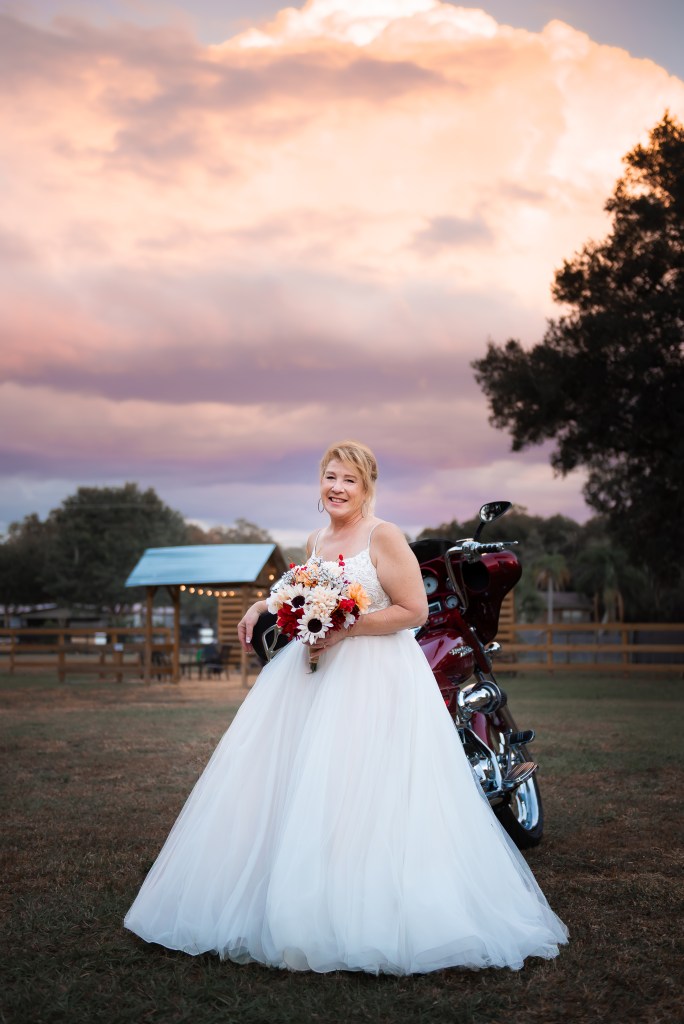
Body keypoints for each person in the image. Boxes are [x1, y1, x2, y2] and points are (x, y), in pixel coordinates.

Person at [124, 440, 568, 974]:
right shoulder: (317, 538)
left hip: (376, 675)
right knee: (304, 780)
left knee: (367, 783)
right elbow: (297, 590)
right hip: (313, 675)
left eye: (349, 480)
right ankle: (295, 898)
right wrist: (262, 605)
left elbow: (413, 610)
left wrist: (345, 628)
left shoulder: (384, 536)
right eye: (330, 477)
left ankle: (372, 905)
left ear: (367, 487)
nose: (337, 487)